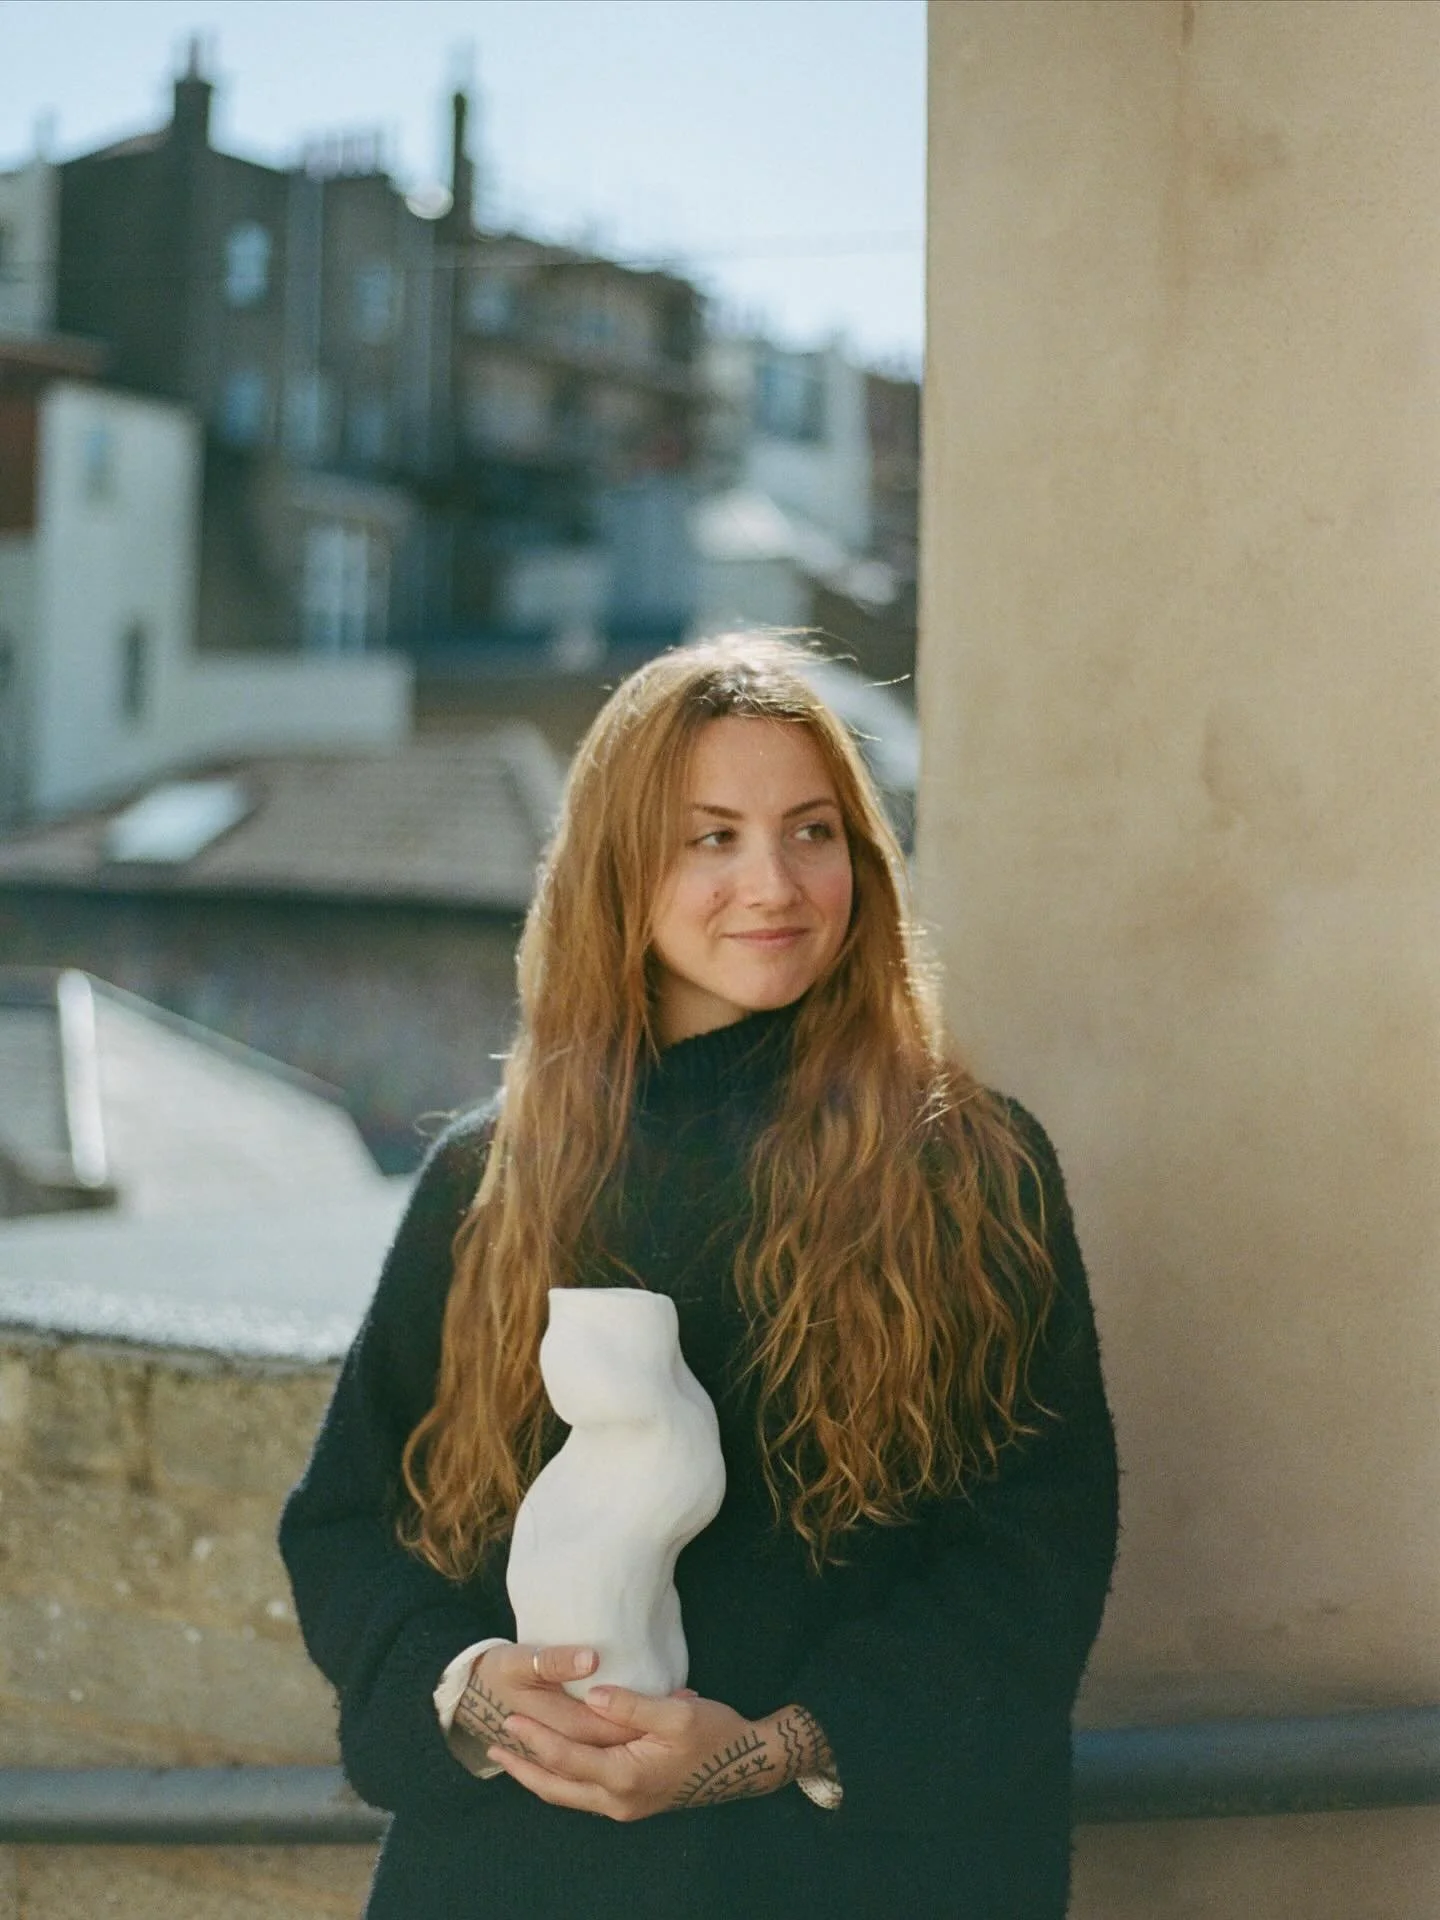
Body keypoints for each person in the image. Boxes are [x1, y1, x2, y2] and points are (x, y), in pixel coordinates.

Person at [279, 634, 1119, 1920]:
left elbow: (1034, 1556)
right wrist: (469, 1697)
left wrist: (761, 1753)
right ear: (621, 867)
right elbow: (348, 1525)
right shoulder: (489, 1179)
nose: (774, 883)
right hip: (517, 1877)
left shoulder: (967, 1165)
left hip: (863, 1881)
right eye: (709, 837)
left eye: (812, 830)